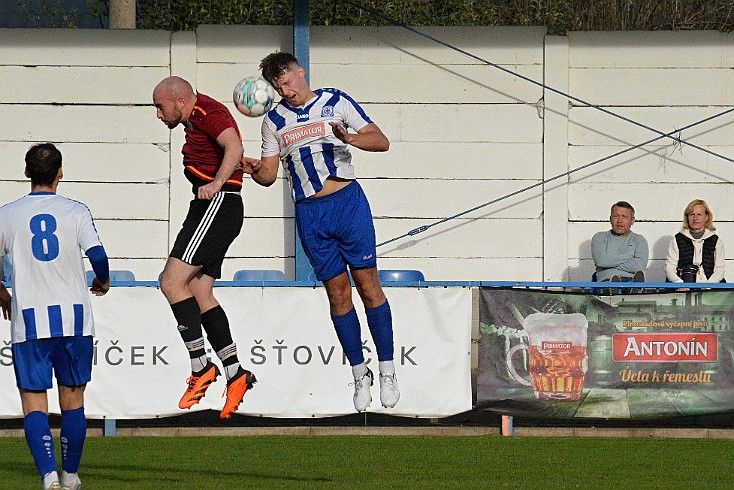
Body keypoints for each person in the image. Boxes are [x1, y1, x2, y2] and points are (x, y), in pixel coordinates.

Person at [241, 52, 400, 412]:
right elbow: (269, 174)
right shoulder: (273, 121)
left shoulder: (335, 101)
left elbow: (380, 139)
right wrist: (253, 169)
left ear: (301, 72)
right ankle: (360, 374)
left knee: (369, 286)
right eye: (279, 86)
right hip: (311, 214)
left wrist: (351, 139)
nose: (287, 90)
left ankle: (388, 368)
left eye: (289, 81)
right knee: (338, 295)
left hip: (347, 203)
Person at [0, 143, 110, 490]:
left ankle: (49, 476)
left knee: (33, 401)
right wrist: (102, 280)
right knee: (73, 400)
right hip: (74, 320)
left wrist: (1, 290)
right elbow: (98, 256)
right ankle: (71, 475)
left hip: (30, 320)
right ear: (60, 173)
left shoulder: (7, 214)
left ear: (26, 172)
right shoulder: (76, 211)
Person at [152, 76, 256, 419]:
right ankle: (235, 372)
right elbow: (232, 153)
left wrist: (215, 182)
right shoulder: (195, 117)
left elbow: (234, 147)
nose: (158, 114)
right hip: (217, 206)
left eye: (160, 106)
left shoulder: (207, 110)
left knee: (170, 282)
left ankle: (201, 367)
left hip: (216, 204)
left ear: (179, 100)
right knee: (200, 293)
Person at [665, 199, 725, 283]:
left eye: (699, 214)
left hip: (710, 288)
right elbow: (670, 268)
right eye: (692, 214)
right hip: (683, 288)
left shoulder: (716, 241)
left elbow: (719, 270)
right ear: (687, 217)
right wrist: (680, 284)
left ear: (706, 217)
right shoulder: (677, 239)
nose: (695, 218)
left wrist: (708, 285)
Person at [591, 201, 649, 283]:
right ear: (610, 219)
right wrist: (629, 257)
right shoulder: (600, 237)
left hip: (631, 280)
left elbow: (639, 266)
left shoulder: (639, 240)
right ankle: (617, 287)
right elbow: (601, 261)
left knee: (632, 285)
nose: (619, 220)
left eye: (624, 217)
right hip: (606, 282)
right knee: (612, 283)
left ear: (632, 220)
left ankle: (632, 288)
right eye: (616, 216)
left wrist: (609, 265)